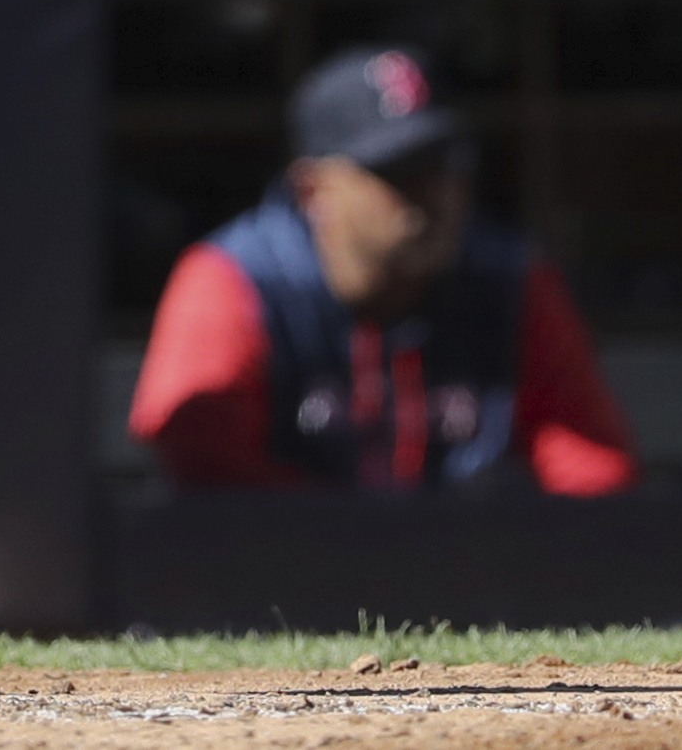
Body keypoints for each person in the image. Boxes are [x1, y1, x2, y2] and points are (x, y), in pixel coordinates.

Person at [131, 43, 635, 493]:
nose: (432, 194)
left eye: (444, 164)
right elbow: (205, 465)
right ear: (313, 190)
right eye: (397, 172)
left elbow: (591, 466)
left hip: (471, 575)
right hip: (288, 577)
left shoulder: (510, 277)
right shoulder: (236, 278)